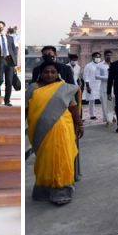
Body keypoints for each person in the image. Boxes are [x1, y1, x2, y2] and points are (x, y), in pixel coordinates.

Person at [27, 60, 83, 205]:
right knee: (45, 159)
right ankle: (43, 189)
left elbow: (73, 107)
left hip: (62, 128)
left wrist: (79, 123)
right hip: (39, 131)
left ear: (58, 73)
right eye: (46, 72)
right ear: (41, 73)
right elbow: (26, 110)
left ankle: (62, 190)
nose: (49, 75)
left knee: (61, 157)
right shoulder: (33, 88)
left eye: (53, 72)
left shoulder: (64, 88)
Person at [0, 20, 17, 106]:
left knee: (9, 81)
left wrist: (15, 64)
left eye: (0, 26)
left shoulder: (10, 38)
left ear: (4, 27)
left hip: (9, 61)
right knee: (0, 79)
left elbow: (13, 51)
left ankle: (7, 100)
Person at [82, 52, 102, 121]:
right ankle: (92, 115)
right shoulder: (88, 66)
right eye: (96, 57)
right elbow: (85, 76)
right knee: (91, 100)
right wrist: (87, 86)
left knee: (103, 99)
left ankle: (105, 114)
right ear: (93, 57)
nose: (98, 58)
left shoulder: (101, 65)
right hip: (91, 85)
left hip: (100, 84)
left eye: (99, 57)